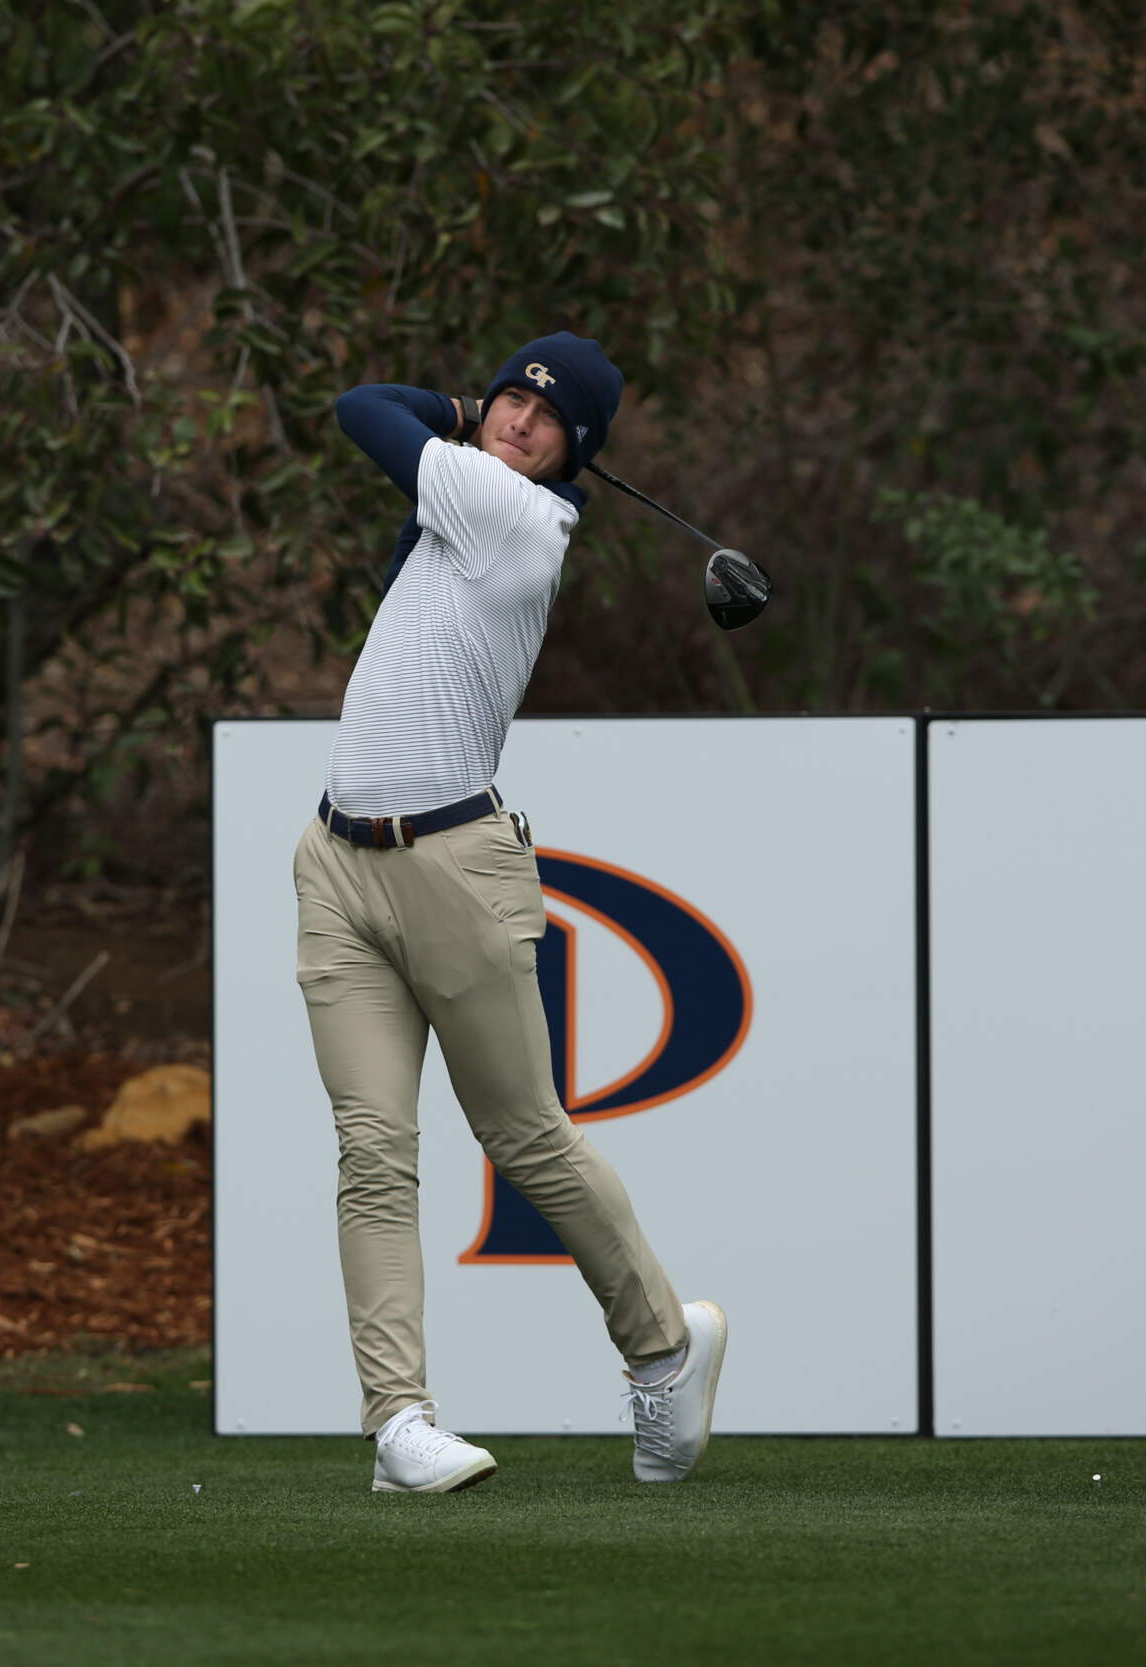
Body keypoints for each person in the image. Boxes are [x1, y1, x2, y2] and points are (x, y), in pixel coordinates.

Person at [294, 331, 726, 1494]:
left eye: (550, 419)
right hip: (336, 862)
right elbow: (388, 407)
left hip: (459, 870)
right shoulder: (468, 490)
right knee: (372, 1153)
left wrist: (454, 415)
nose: (518, 421)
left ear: (570, 456)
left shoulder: (514, 517)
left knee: (525, 1134)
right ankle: (400, 1422)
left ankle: (663, 1351)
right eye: (509, 398)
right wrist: (471, 400)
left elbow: (360, 406)